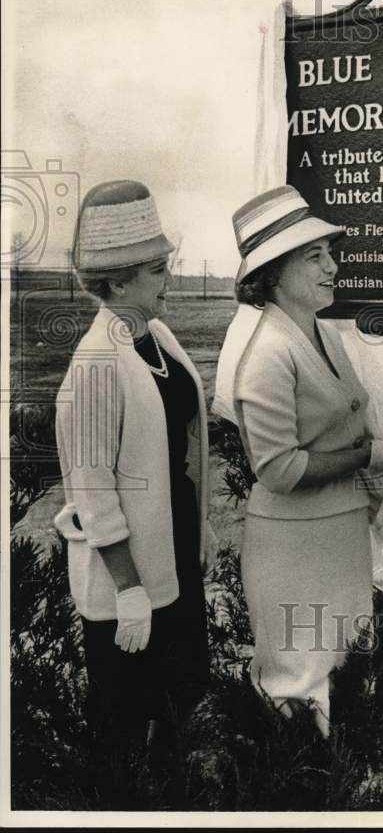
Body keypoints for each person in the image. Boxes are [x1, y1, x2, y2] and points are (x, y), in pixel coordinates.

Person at [229, 185, 383, 737]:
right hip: (293, 545)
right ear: (272, 273)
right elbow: (281, 471)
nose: (332, 266)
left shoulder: (323, 334)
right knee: (297, 686)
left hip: (338, 534)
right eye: (314, 256)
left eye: (330, 253)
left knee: (336, 676)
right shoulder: (268, 352)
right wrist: (373, 455)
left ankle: (330, 788)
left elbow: (351, 417)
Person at [54, 180, 216, 763]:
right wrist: (127, 591)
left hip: (172, 552)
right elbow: (92, 489)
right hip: (132, 577)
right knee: (124, 723)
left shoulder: (159, 339)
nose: (167, 278)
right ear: (118, 281)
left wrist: (203, 528)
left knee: (178, 703)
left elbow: (180, 445)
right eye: (157, 269)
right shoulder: (97, 364)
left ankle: (175, 802)